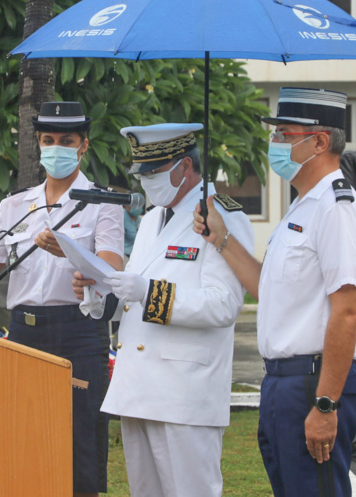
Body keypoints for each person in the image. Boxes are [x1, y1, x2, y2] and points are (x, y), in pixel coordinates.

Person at [193, 87, 356, 497]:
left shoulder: (336, 209)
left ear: (320, 141)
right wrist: (220, 239)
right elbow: (269, 290)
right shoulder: (303, 205)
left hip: (314, 382)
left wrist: (326, 405)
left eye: (284, 135)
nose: (274, 144)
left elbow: (348, 312)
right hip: (280, 382)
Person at [72, 123, 253, 497]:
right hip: (139, 386)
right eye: (142, 174)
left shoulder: (221, 215)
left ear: (184, 167)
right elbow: (135, 295)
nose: (146, 183)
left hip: (184, 391)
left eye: (153, 173)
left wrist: (148, 291)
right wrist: (103, 293)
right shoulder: (154, 217)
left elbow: (224, 305)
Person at [0, 101, 124, 497]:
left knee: (80, 446)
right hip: (24, 334)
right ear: (38, 144)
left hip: (79, 333)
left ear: (83, 145)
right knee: (22, 441)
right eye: (48, 140)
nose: (57, 148)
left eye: (66, 141)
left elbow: (111, 270)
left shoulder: (102, 202)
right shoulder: (15, 206)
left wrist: (67, 252)